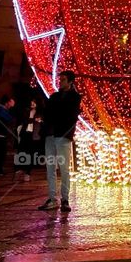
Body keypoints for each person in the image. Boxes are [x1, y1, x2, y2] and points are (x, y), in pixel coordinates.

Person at [39, 71, 81, 213]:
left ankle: (65, 199)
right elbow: (47, 113)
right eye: (60, 79)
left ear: (70, 82)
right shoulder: (54, 96)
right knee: (50, 168)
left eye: (63, 79)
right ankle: (52, 198)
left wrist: (64, 131)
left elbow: (71, 116)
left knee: (64, 169)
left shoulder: (74, 97)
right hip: (50, 134)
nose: (60, 82)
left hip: (63, 136)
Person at [15, 92, 43, 182]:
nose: (32, 104)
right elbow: (24, 120)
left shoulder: (40, 112)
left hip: (33, 135)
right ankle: (20, 170)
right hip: (25, 134)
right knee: (22, 152)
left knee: (31, 154)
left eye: (34, 102)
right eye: (31, 102)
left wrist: (38, 120)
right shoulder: (26, 111)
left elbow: (41, 122)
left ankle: (27, 173)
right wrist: (33, 119)